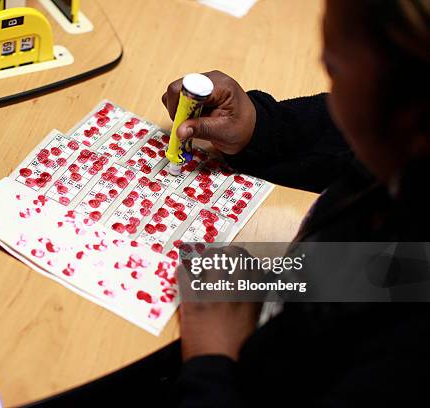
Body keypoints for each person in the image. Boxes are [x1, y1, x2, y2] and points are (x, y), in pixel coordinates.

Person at [28, 0, 429, 406]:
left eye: (336, 71)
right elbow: (346, 141)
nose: (321, 61)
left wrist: (212, 361)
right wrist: (261, 127)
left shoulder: (403, 355)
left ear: (411, 116)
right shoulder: (403, 164)